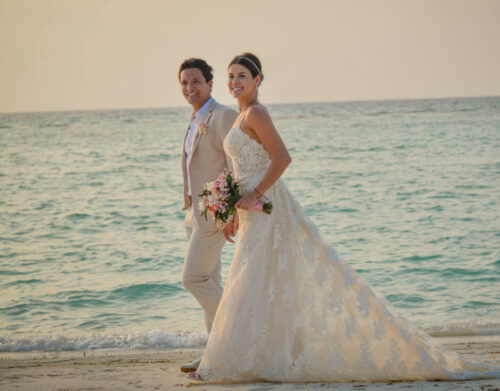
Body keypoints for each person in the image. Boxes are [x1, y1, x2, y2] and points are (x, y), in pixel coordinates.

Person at [188, 53, 500, 383]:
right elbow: (243, 169)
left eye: (242, 76)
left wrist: (255, 194)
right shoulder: (238, 118)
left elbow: (282, 158)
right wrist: (235, 207)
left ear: (257, 80)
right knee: (259, 282)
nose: (235, 82)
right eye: (231, 76)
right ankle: (260, 357)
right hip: (251, 213)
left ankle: (222, 363)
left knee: (247, 281)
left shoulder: (257, 114)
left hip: (267, 209)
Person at [177, 58, 238, 373]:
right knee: (209, 279)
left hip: (215, 212)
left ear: (210, 84)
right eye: (185, 83)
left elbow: (235, 164)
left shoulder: (223, 115)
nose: (190, 88)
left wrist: (231, 210)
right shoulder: (195, 117)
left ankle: (235, 334)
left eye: (196, 81)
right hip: (195, 213)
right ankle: (214, 355)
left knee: (194, 279)